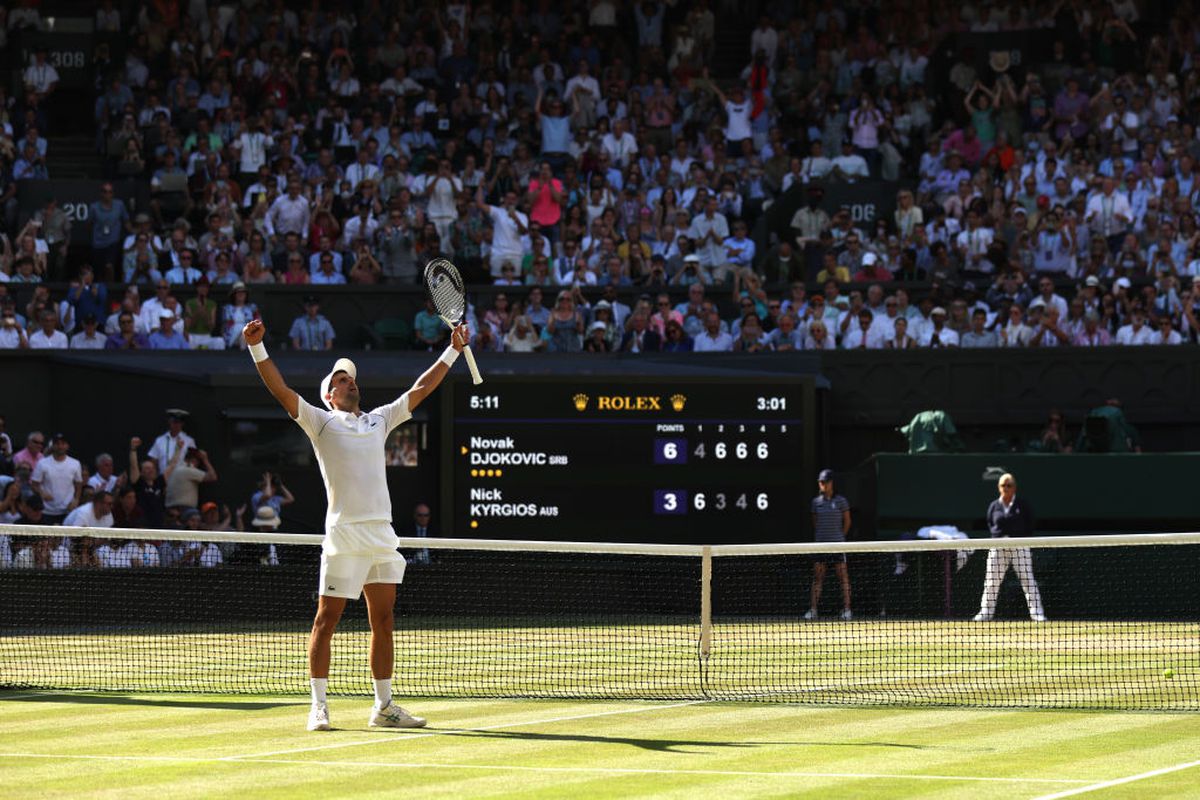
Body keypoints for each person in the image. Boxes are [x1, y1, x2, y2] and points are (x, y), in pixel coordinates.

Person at [242, 315, 470, 732]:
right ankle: (318, 707)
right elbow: (280, 389)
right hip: (344, 535)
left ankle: (384, 707)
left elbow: (421, 388)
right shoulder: (320, 421)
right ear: (329, 395)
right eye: (342, 380)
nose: (350, 383)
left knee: (383, 621)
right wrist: (257, 347)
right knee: (325, 620)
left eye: (352, 379)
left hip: (381, 534)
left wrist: (453, 350)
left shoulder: (380, 419)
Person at [973, 473, 1046, 622]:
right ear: (998, 487)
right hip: (998, 546)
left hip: (1019, 546)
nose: (1006, 488)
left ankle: (1037, 613)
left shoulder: (1023, 505)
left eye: (1009, 485)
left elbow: (1030, 524)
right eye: (1003, 485)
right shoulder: (994, 506)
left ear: (1014, 487)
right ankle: (985, 612)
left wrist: (1019, 538)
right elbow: (991, 523)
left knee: (1027, 579)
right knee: (992, 580)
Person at [806, 469, 852, 621]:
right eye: (820, 482)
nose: (822, 484)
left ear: (831, 483)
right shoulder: (815, 503)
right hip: (820, 546)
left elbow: (847, 522)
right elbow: (815, 523)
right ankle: (813, 610)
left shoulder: (841, 501)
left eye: (824, 482)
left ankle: (847, 610)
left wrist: (839, 538)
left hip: (838, 546)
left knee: (843, 578)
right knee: (817, 578)